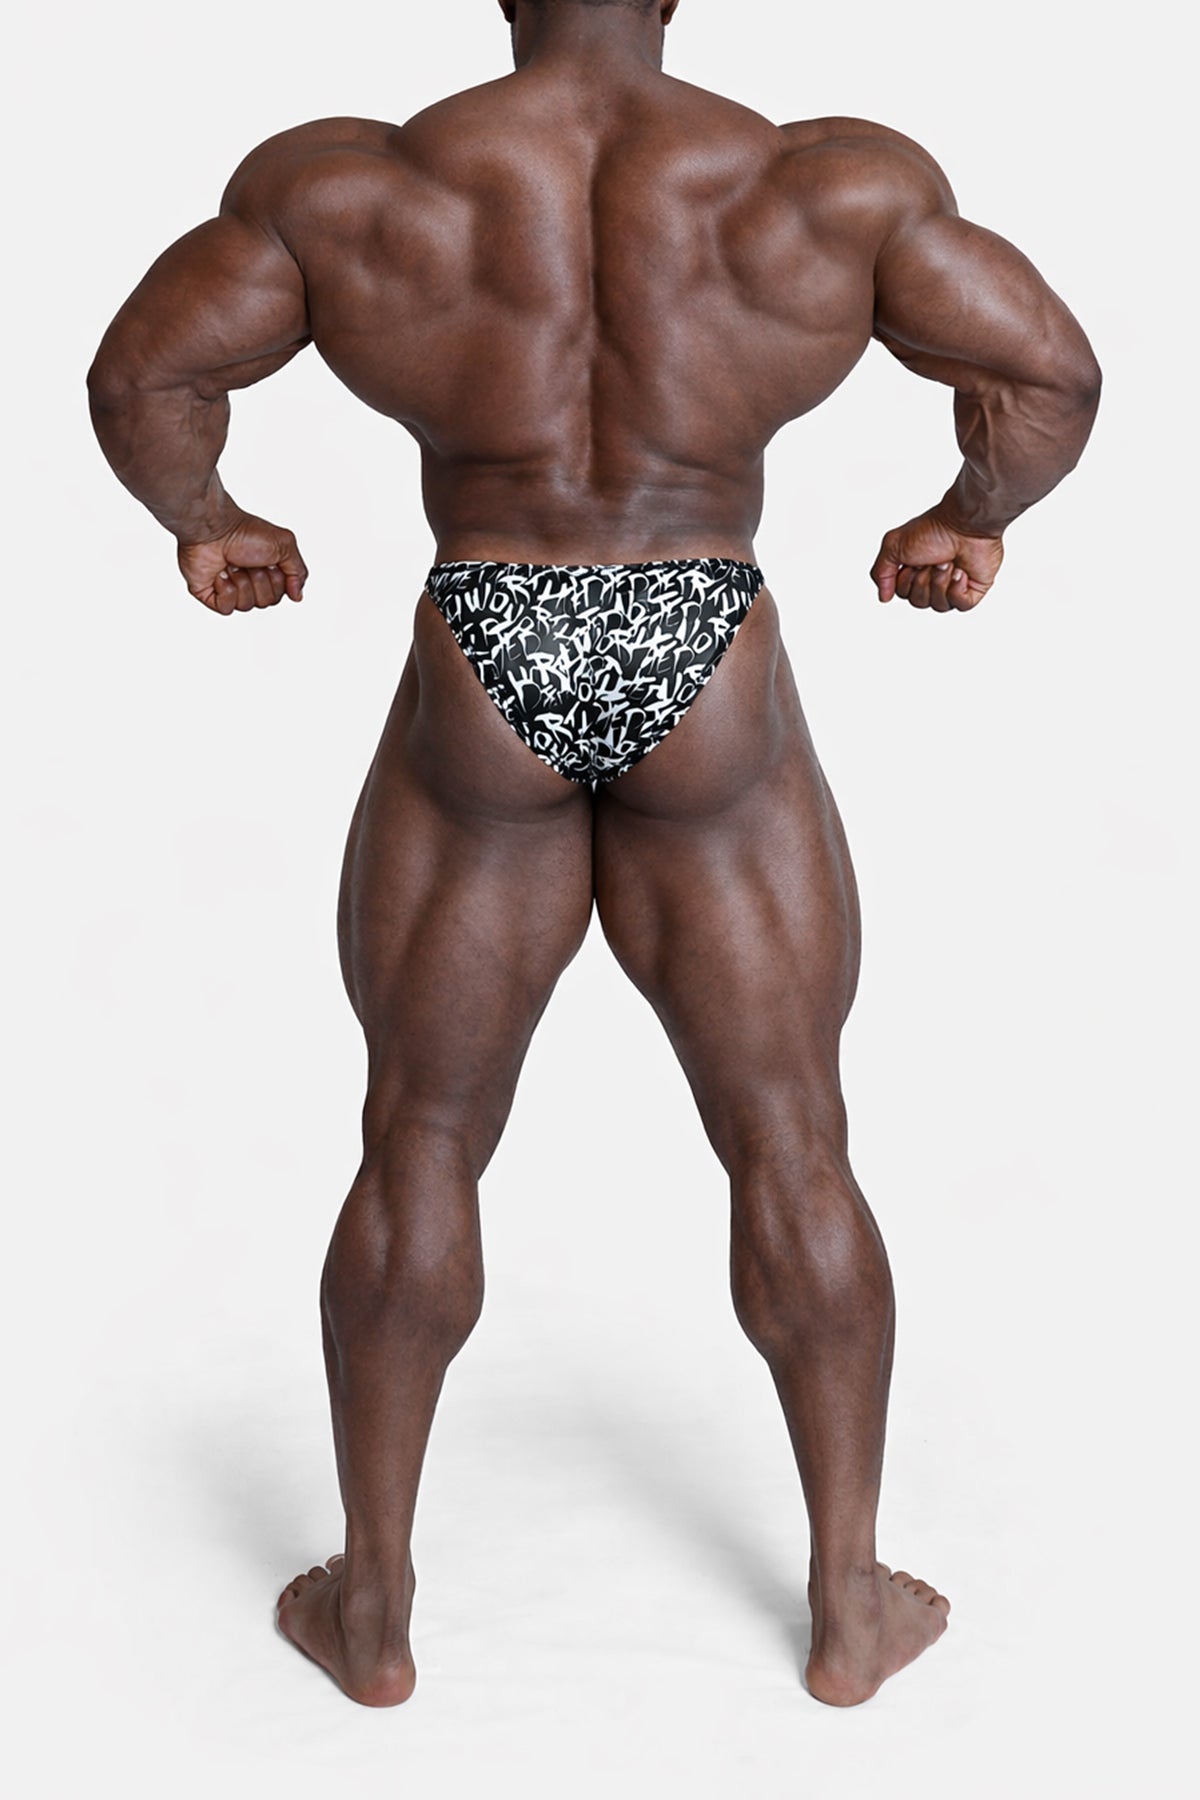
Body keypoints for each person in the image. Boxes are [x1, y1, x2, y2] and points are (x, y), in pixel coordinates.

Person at [87, 0, 1100, 1709]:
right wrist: (968, 519)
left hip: (488, 627)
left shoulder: (352, 184)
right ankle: (848, 1606)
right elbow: (1049, 373)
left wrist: (210, 523)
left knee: (419, 1134)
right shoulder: (825, 183)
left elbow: (144, 375)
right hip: (703, 625)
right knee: (793, 1136)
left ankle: (374, 1612)